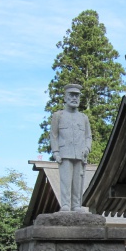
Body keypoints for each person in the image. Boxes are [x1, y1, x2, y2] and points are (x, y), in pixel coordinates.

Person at [50, 83, 92, 212]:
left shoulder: (83, 118)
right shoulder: (58, 115)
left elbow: (88, 136)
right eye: (71, 95)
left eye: (77, 96)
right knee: (66, 181)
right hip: (64, 152)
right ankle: (66, 204)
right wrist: (56, 152)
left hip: (80, 153)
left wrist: (87, 148)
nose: (74, 98)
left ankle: (76, 205)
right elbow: (54, 135)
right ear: (65, 98)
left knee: (77, 182)